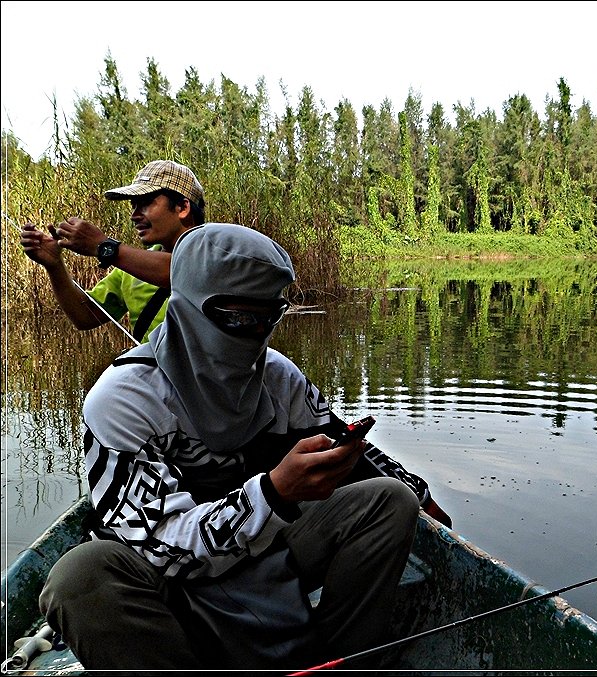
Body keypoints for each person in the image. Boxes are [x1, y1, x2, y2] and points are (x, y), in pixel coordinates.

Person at [39, 223, 447, 672]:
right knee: (78, 577)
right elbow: (160, 546)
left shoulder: (278, 376)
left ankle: (337, 663)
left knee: (390, 501)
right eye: (238, 318)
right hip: (166, 579)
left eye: (268, 317)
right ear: (189, 307)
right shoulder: (123, 399)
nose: (255, 334)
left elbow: (344, 442)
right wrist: (273, 495)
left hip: (262, 547)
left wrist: (419, 494)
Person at [19, 160, 205, 343]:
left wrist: (104, 247)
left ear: (182, 207)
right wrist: (54, 265)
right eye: (134, 205)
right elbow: (85, 316)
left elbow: (181, 270)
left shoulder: (219, 250)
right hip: (155, 372)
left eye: (146, 203)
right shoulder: (130, 269)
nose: (134, 215)